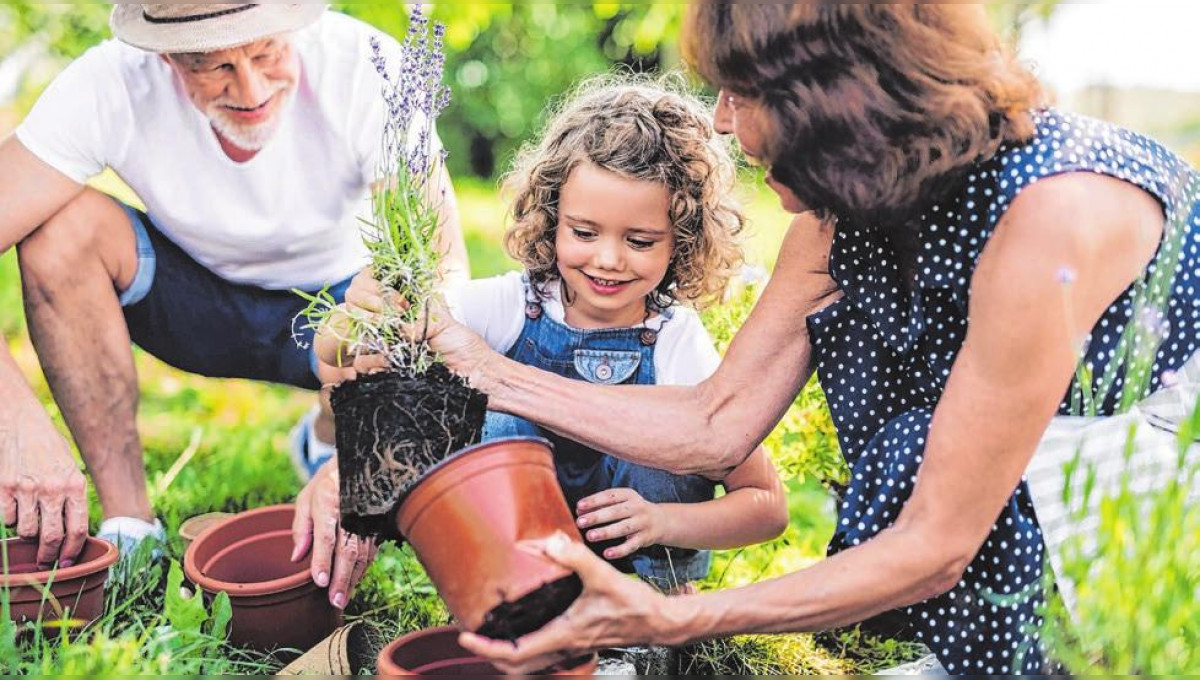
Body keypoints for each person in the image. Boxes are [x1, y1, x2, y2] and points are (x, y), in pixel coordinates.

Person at [340, 4, 1196, 674]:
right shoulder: (840, 218)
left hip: (1154, 470)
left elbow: (936, 543)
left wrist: (673, 615)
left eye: (741, 95)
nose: (718, 122)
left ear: (834, 104)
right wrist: (482, 371)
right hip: (1039, 453)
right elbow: (715, 424)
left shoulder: (1051, 219)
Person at [0, 2, 468, 589]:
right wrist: (13, 418)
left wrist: (366, 447)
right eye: (210, 65)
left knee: (400, 295)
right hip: (193, 307)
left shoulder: (362, 65)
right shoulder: (108, 82)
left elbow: (442, 273)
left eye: (267, 50)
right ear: (165, 54)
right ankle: (131, 525)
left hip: (335, 317)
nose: (249, 89)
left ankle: (329, 437)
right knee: (57, 231)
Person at [305, 80, 789, 595]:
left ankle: (659, 605)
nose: (607, 258)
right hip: (518, 561)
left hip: (636, 567)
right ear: (552, 219)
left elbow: (766, 506)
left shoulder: (675, 341)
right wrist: (353, 319)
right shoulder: (509, 307)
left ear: (683, 240)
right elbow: (337, 356)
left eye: (640, 240)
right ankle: (511, 593)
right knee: (491, 418)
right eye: (584, 233)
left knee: (671, 436)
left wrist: (665, 522)